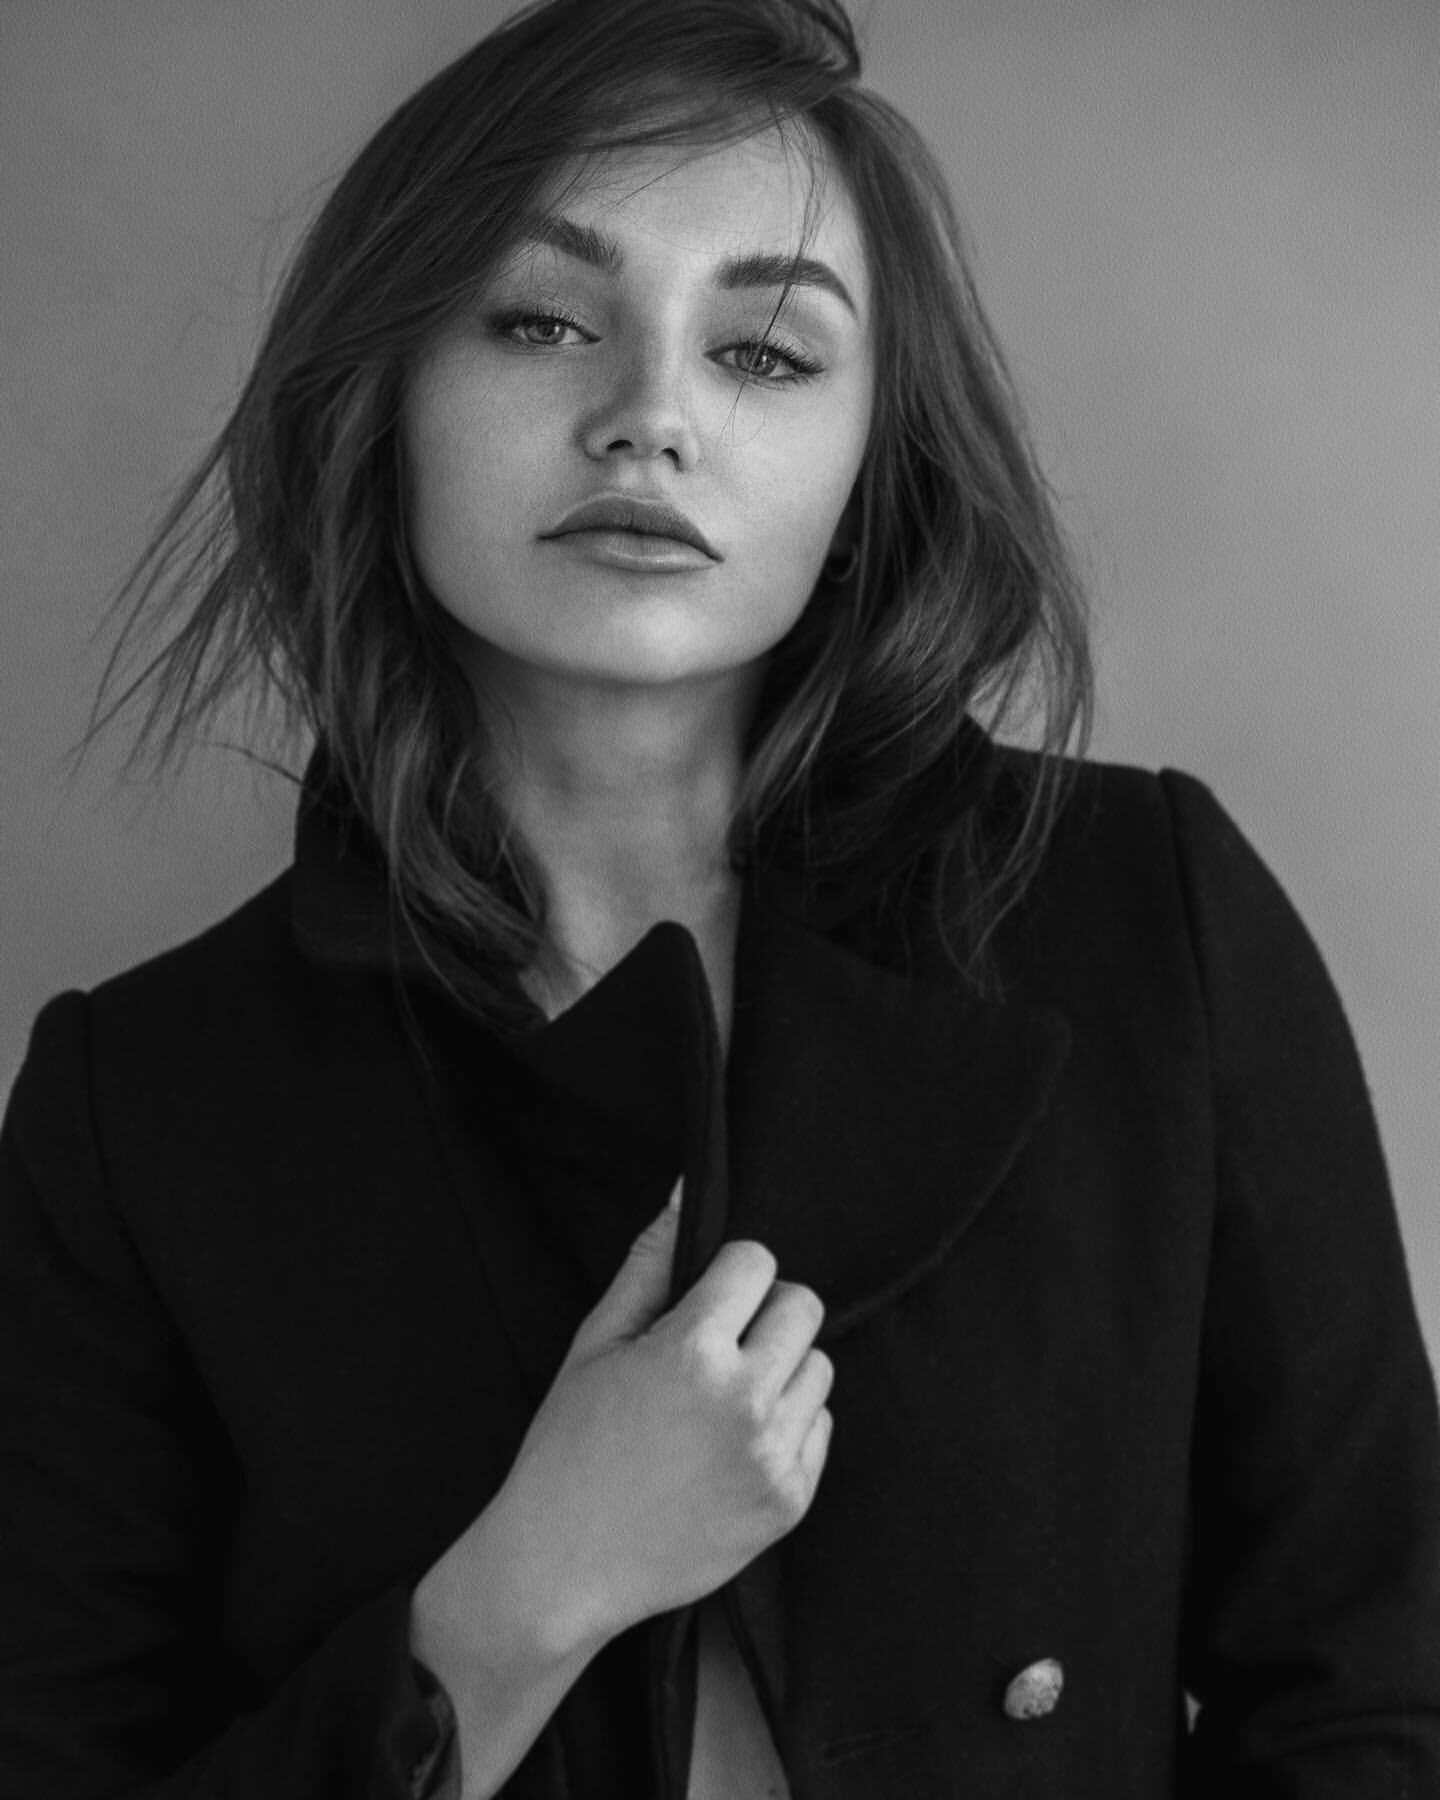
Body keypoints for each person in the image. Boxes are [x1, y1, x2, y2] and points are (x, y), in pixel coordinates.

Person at [1, 0, 1436, 1794]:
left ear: (871, 459)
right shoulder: (144, 1105)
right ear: (384, 397)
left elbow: (1376, 1698)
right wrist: (524, 1594)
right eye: (540, 321)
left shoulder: (1147, 918)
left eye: (763, 351)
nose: (650, 420)